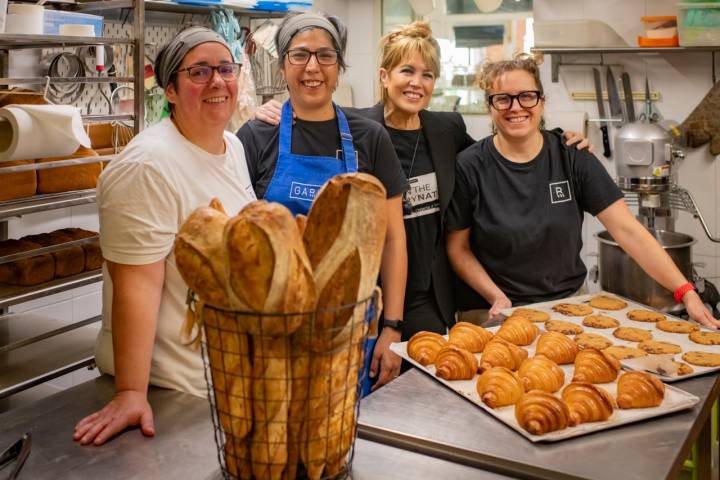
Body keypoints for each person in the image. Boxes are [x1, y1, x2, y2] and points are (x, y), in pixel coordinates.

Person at [254, 23, 592, 362]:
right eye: (407, 71)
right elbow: (312, 117)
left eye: (427, 74)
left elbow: (500, 158)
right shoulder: (356, 131)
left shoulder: (447, 130)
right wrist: (276, 109)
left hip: (437, 297)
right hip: (375, 296)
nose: (417, 82)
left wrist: (560, 142)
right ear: (384, 76)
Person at [73, 27, 257, 446]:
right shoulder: (148, 165)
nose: (216, 81)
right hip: (171, 389)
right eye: (199, 71)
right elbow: (135, 285)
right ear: (170, 89)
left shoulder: (232, 147)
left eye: (225, 69)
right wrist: (131, 393)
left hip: (221, 377)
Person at [445, 54, 720, 329]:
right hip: (493, 312)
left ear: (541, 101)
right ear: (489, 106)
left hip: (567, 308)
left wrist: (685, 291)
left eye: (527, 96)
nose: (516, 107)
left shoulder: (572, 156)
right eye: (502, 98)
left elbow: (628, 230)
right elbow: (458, 249)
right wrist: (497, 297)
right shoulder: (469, 166)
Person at [235, 12, 408, 388]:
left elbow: (393, 239)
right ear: (283, 65)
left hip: (349, 327)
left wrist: (392, 327)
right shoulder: (254, 136)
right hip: (272, 328)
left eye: (325, 56)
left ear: (339, 67)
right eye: (299, 55)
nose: (312, 67)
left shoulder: (370, 137)